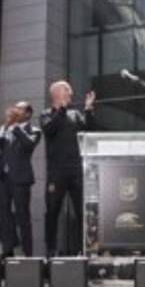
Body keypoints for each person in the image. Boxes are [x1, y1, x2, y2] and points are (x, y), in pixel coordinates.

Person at [40, 80, 96, 257]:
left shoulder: (75, 114)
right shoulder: (46, 114)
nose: (71, 94)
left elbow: (89, 129)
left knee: (81, 211)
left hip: (76, 171)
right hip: (56, 173)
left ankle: (83, 249)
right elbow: (50, 129)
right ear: (57, 93)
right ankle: (50, 251)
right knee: (52, 211)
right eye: (68, 91)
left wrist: (88, 109)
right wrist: (62, 110)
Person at [0, 101, 41, 257]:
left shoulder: (34, 131)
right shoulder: (7, 128)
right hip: (3, 177)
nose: (15, 110)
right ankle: (8, 249)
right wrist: (5, 125)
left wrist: (15, 128)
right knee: (4, 214)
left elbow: (28, 145)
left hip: (20, 179)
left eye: (20, 109)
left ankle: (28, 253)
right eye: (15, 107)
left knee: (22, 215)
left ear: (28, 114)